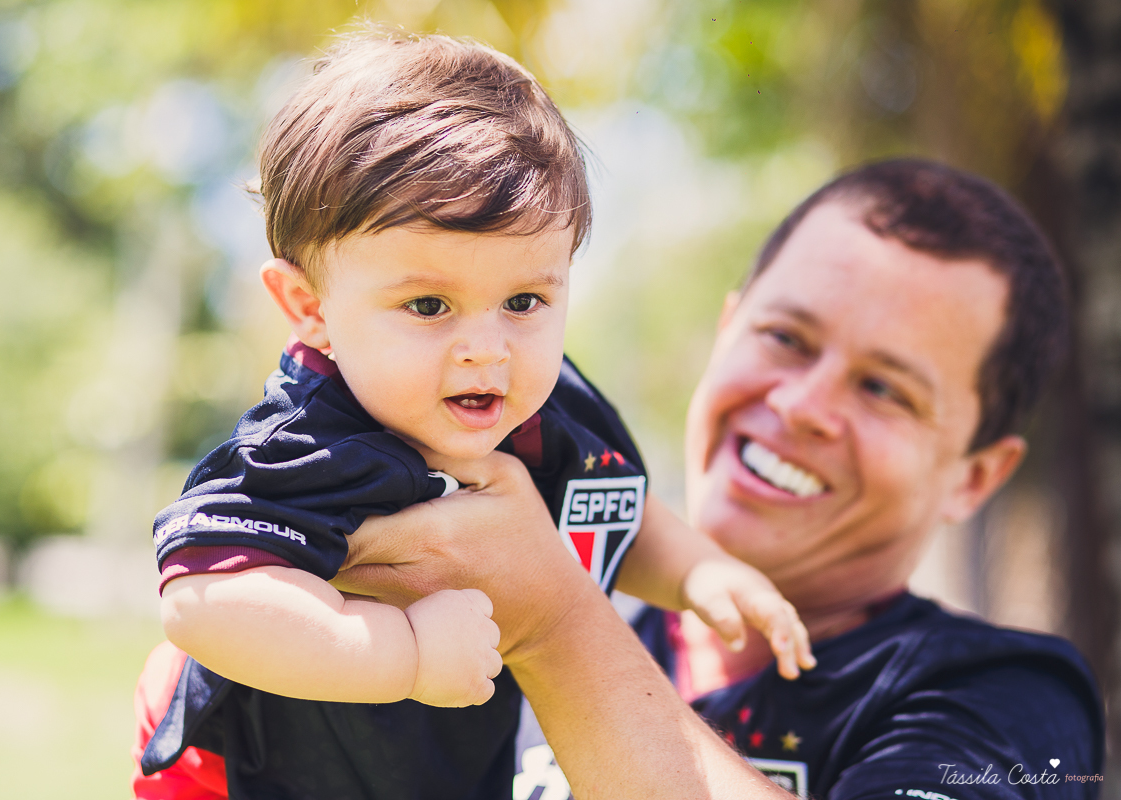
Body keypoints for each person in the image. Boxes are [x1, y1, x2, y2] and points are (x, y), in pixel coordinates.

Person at [130, 30, 813, 799]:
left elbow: (610, 506)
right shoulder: (311, 439)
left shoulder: (551, 404)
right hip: (248, 778)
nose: (486, 350)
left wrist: (700, 572)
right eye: (429, 305)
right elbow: (201, 600)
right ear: (309, 308)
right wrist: (406, 652)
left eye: (524, 301)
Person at [333, 159, 1106, 799]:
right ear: (726, 328)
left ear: (975, 477)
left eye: (884, 390)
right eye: (785, 338)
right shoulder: (463, 643)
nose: (802, 407)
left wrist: (555, 621)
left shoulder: (1013, 698)